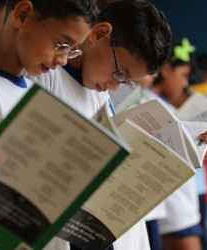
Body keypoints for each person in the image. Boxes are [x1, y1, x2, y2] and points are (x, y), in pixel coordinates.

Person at [34, 1, 172, 249]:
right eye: (119, 73)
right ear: (99, 34)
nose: (114, 86)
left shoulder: (101, 96)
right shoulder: (46, 76)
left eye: (126, 82)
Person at [0, 0, 98, 137]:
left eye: (71, 50)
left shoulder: (35, 95)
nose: (63, 60)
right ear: (22, 15)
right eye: (62, 44)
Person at [145, 38, 207, 250]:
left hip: (181, 203)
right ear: (166, 70)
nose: (186, 84)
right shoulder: (151, 105)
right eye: (184, 76)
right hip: (174, 207)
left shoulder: (165, 106)